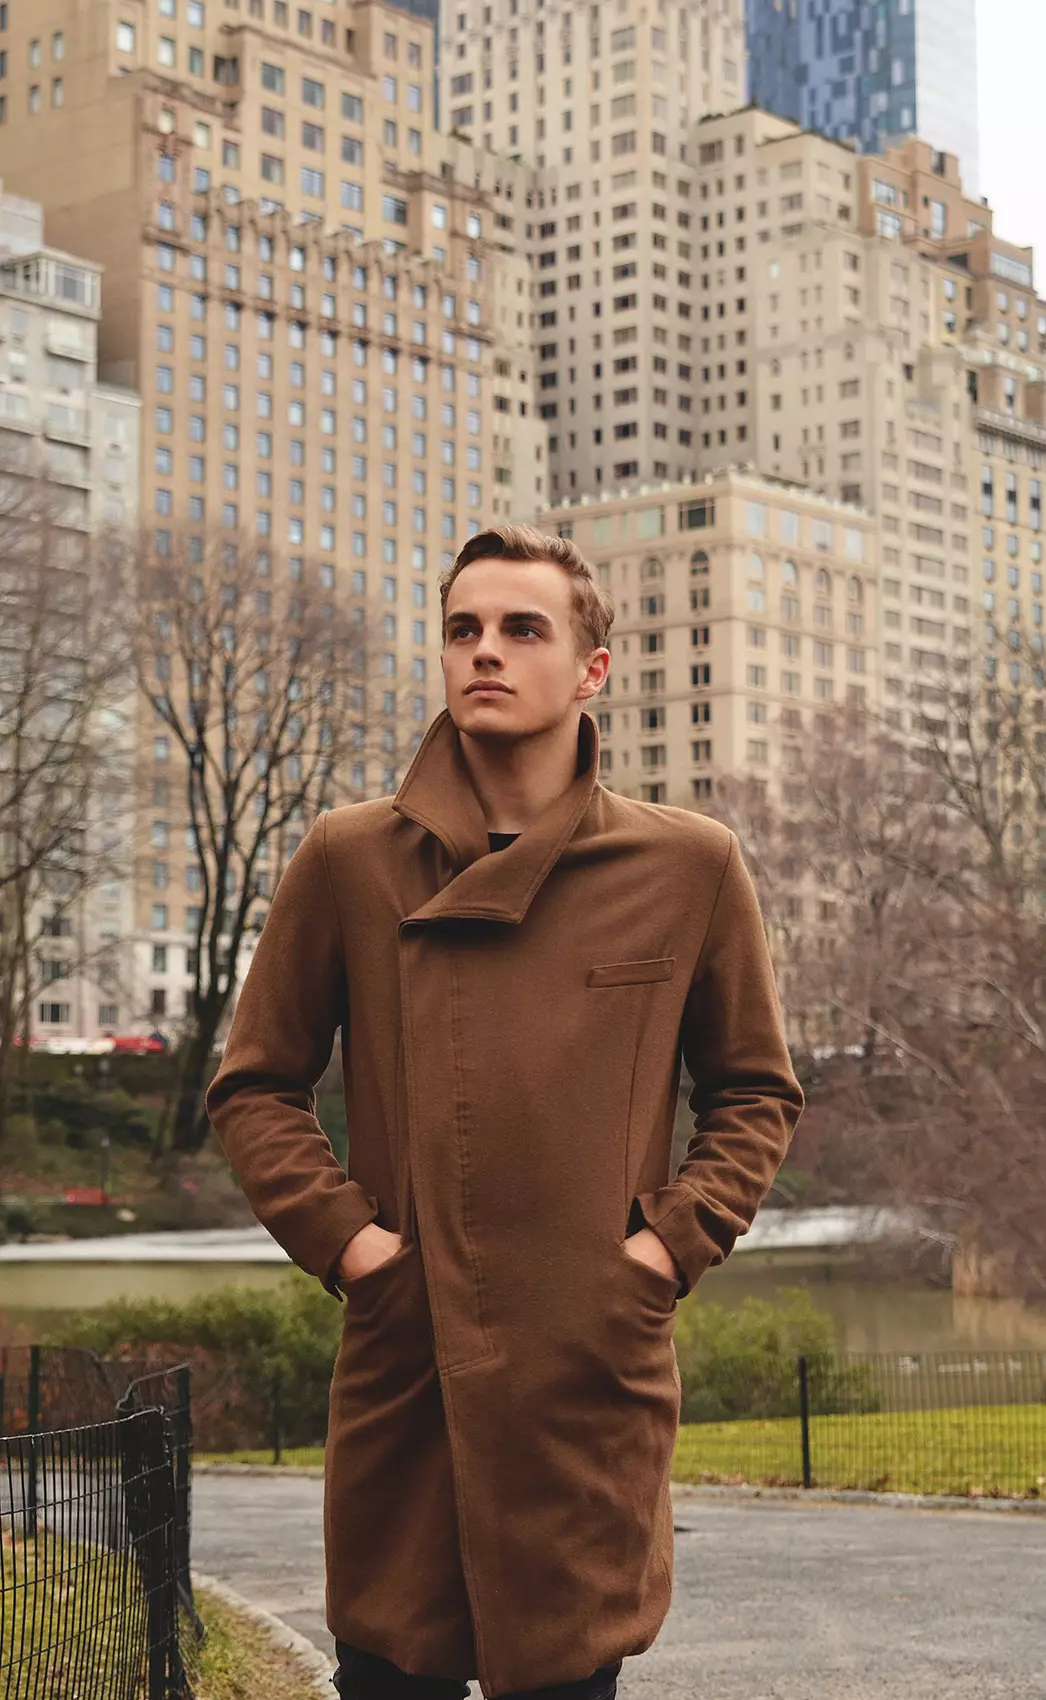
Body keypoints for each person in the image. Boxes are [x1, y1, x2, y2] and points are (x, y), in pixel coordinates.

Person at [206, 524, 804, 1700]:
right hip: (405, 1356)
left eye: (522, 627)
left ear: (589, 669)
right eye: (461, 628)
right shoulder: (348, 857)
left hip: (584, 1370)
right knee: (389, 1670)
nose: (485, 650)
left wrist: (660, 1250)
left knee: (567, 1677)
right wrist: (356, 1245)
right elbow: (255, 1083)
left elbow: (753, 1090)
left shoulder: (688, 865)